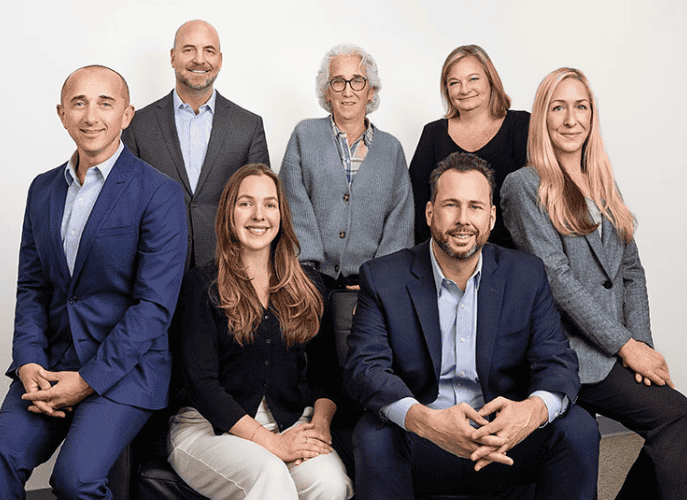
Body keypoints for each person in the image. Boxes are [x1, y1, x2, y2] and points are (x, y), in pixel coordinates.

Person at [500, 67, 687, 500]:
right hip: (570, 350)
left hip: (617, 345)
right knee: (677, 417)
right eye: (558, 107)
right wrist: (625, 346)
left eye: (580, 106)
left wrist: (642, 346)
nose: (571, 119)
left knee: (672, 422)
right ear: (543, 119)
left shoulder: (602, 181)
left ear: (592, 115)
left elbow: (630, 270)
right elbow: (555, 281)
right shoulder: (524, 186)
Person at [0, 65, 189, 500]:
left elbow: (153, 310)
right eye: (79, 103)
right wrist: (29, 361)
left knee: (75, 480)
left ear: (127, 115)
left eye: (105, 103)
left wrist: (86, 380)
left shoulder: (158, 193)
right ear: (62, 114)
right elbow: (32, 287)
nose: (91, 115)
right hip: (49, 364)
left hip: (126, 371)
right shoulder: (42, 189)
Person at [344, 152, 598, 500]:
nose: (463, 220)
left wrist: (530, 413)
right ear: (430, 212)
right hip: (426, 438)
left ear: (491, 217)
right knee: (374, 436)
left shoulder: (526, 274)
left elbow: (558, 361)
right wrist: (426, 422)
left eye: (476, 207)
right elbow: (365, 368)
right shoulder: (383, 277)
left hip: (504, 441)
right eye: (451, 205)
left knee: (579, 428)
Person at [168, 165, 350, 500]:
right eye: (245, 203)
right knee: (269, 476)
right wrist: (271, 444)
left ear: (281, 215)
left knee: (331, 485)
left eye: (269, 204)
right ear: (229, 213)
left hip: (291, 422)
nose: (258, 215)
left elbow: (327, 374)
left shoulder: (310, 285)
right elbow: (202, 385)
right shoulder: (200, 286)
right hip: (209, 428)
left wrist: (320, 427)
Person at [278, 43, 414, 378]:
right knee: (310, 369)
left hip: (368, 284)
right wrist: (308, 270)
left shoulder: (392, 149)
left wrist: (375, 276)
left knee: (365, 368)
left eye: (357, 81)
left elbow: (400, 219)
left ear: (371, 90)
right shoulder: (304, 135)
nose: (348, 91)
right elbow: (291, 199)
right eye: (338, 82)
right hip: (310, 278)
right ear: (327, 91)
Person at [124, 19, 272, 269]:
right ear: (173, 57)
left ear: (220, 60)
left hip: (228, 267)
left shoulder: (248, 126)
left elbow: (262, 202)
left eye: (209, 51)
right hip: (155, 266)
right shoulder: (138, 125)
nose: (199, 59)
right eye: (189, 49)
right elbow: (127, 203)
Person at [407, 45, 530, 249]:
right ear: (446, 89)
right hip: (448, 254)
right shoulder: (433, 133)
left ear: (491, 80)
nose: (464, 90)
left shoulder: (521, 125)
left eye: (473, 79)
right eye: (454, 83)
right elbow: (417, 207)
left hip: (513, 255)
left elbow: (539, 200)